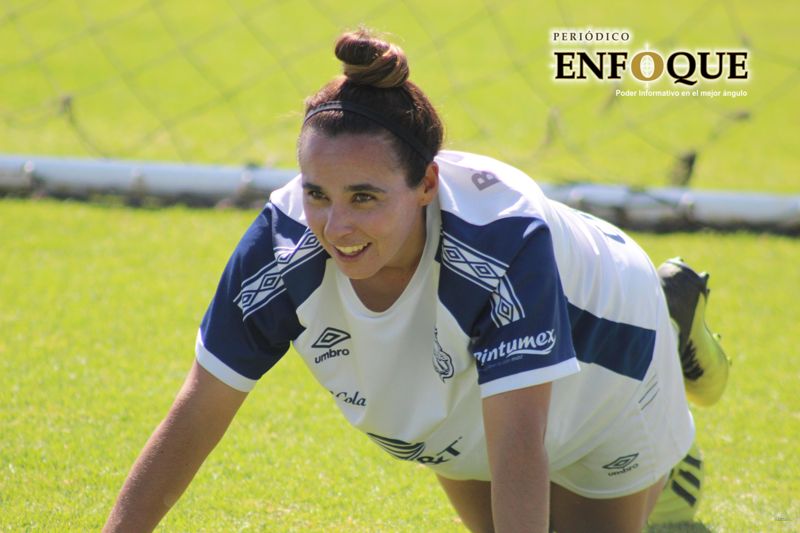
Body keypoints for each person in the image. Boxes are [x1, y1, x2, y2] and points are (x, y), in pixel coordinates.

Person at [103, 29, 730, 532]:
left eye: (365, 197)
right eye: (317, 192)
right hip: (458, 390)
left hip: (609, 348)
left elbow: (517, 439)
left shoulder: (502, 241)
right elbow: (199, 411)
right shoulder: (282, 243)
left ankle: (672, 365)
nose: (335, 224)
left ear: (427, 184)